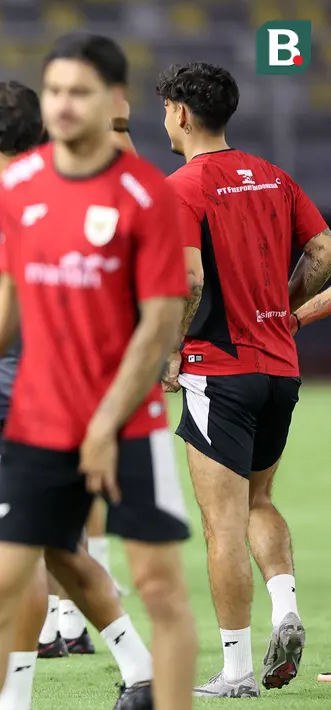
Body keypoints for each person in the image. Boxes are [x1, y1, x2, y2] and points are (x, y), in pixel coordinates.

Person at [0, 33, 198, 710]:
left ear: (112, 100)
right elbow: (9, 289)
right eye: (54, 91)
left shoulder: (146, 195)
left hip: (126, 424)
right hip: (35, 417)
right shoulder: (20, 188)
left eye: (78, 92)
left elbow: (155, 324)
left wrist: (104, 423)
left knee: (159, 591)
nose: (62, 105)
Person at [157, 61, 331, 696]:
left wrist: (170, 352)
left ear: (179, 112)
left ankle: (235, 671)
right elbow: (324, 255)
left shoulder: (183, 185)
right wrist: (287, 312)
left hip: (218, 370)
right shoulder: (275, 177)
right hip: (280, 370)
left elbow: (191, 278)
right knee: (260, 501)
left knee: (220, 524)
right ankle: (285, 606)